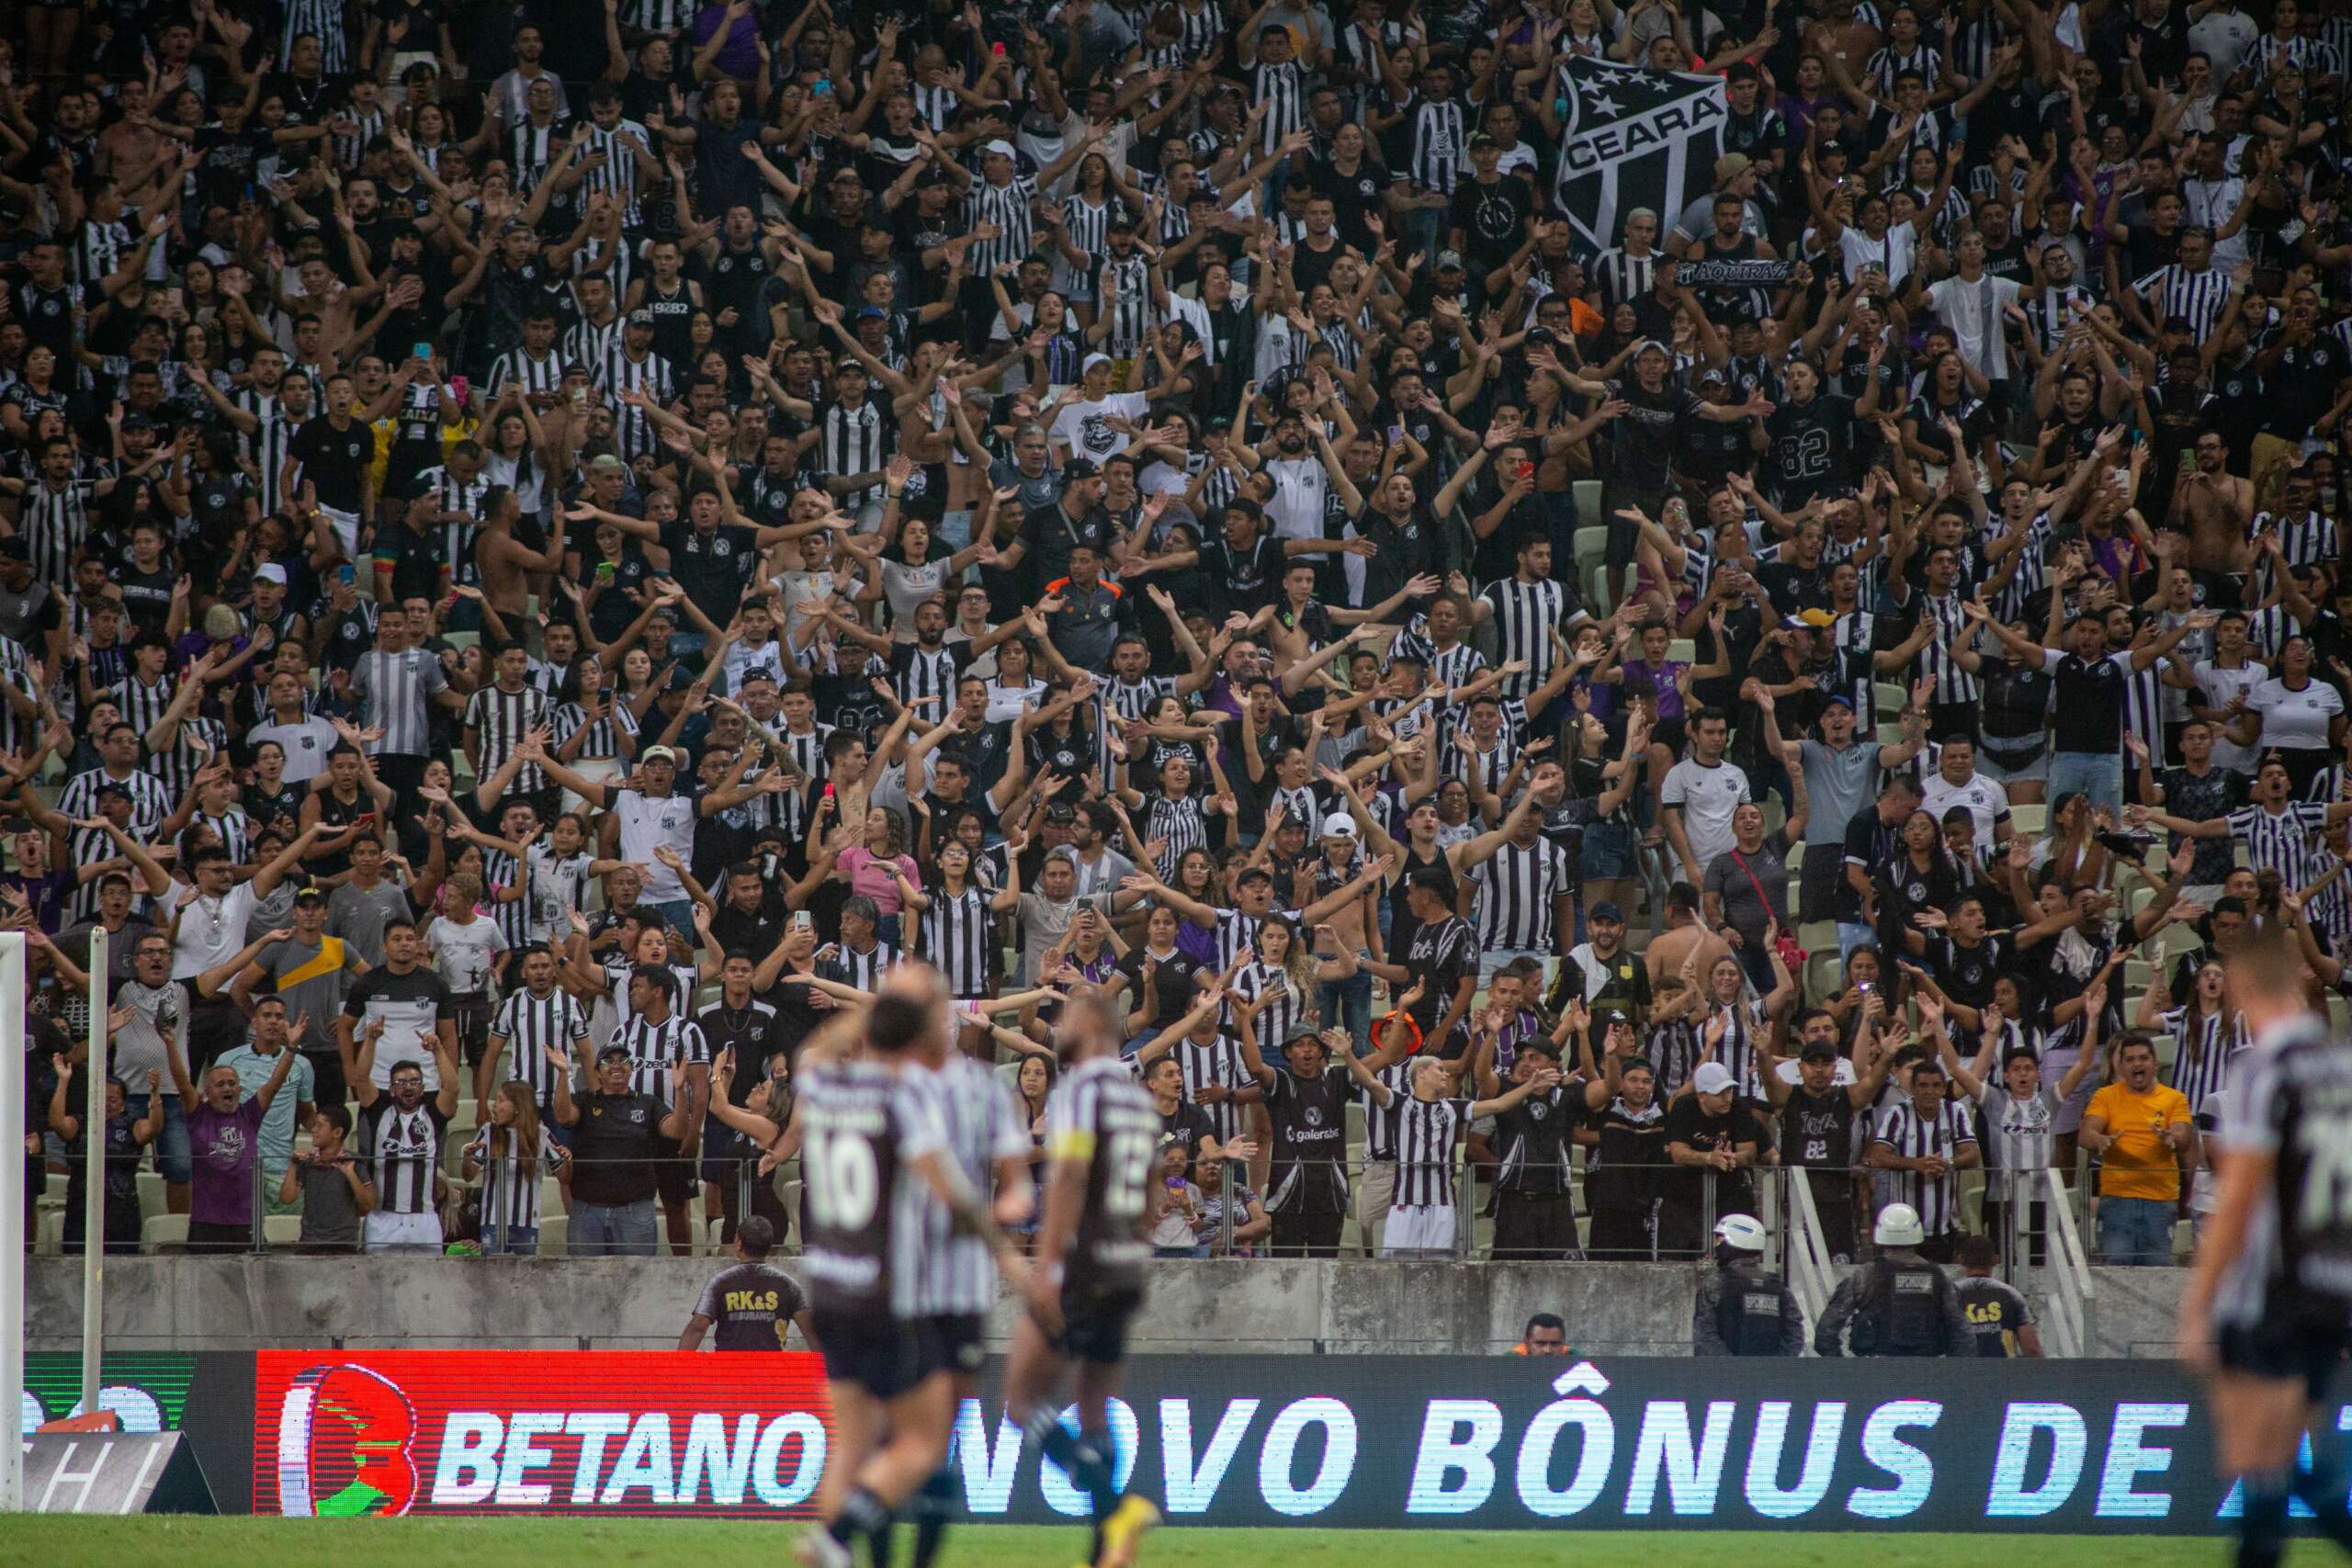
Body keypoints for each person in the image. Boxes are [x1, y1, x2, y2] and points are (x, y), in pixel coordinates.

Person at [2181, 925, 2352, 1567]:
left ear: (2244, 988)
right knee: (2278, 1452)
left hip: (2273, 1285)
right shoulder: (2342, 1066)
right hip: (2334, 1285)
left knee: (2253, 1453)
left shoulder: (2263, 1067)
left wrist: (2198, 1299)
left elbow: (2240, 1192)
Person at [1001, 987, 1161, 1568]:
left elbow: (1067, 1176)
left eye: (1067, 1014)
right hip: (1125, 1267)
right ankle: (1106, 1549)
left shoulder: (1081, 1089)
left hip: (1081, 1265)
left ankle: (1114, 1507)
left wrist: (1047, 1269)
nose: (1059, 1023)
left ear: (1091, 1022)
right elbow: (1154, 1190)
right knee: (1095, 1410)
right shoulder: (1139, 1098)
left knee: (1022, 1401)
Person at [162, 1007, 298, 1252]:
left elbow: (274, 1085)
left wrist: (290, 1050)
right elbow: (182, 1084)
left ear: (239, 1089)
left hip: (246, 1220)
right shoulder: (198, 1114)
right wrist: (171, 1043)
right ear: (208, 1090)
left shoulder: (250, 1114)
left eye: (232, 1084)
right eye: (220, 1084)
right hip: (206, 1221)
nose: (228, 1088)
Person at [345, 1013, 463, 1254]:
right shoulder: (379, 1111)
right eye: (400, 1082)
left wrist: (438, 1049)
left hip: (424, 1218)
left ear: (422, 1087)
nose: (408, 1087)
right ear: (390, 1088)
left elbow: (452, 1088)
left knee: (429, 1284)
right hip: (382, 1217)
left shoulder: (433, 1113)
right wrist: (370, 1039)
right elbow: (360, 1079)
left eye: (414, 1082)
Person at [2082, 1033, 2198, 1264]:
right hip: (2117, 1200)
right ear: (2121, 1066)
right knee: (2116, 1269)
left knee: (2156, 1271)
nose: (2137, 1064)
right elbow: (2086, 1134)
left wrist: (2171, 1137)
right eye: (2130, 1059)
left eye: (2143, 1058)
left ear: (2155, 1064)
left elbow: (2183, 1136)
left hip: (2160, 1202)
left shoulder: (2175, 1098)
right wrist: (2100, 1140)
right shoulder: (2105, 1096)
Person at [1814, 1202, 1974, 1357]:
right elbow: (1962, 1333)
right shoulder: (1938, 1276)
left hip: (1877, 1370)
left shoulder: (1866, 1275)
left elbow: (1826, 1332)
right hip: (1928, 1368)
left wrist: (1842, 1367)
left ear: (1880, 1233)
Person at [679, 1216, 816, 1350]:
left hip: (729, 1369)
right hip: (772, 1370)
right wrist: (831, 1370)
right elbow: (811, 1332)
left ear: (739, 1244)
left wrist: (677, 1368)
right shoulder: (788, 1285)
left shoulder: (720, 1283)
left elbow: (697, 1328)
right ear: (769, 1246)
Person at [1691, 1213, 1804, 1357]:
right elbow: (1794, 1337)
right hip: (1771, 1375)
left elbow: (1705, 1338)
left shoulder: (1716, 1283)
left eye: (1720, 1239)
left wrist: (1735, 1370)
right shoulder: (1778, 1287)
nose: (1716, 1246)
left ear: (1736, 1241)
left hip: (1726, 1375)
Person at [1952, 1235, 2042, 1357]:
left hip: (1959, 1372)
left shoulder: (1949, 1295)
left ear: (1961, 1259)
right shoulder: (2011, 1295)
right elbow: (2032, 1349)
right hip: (2002, 1373)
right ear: (1995, 1260)